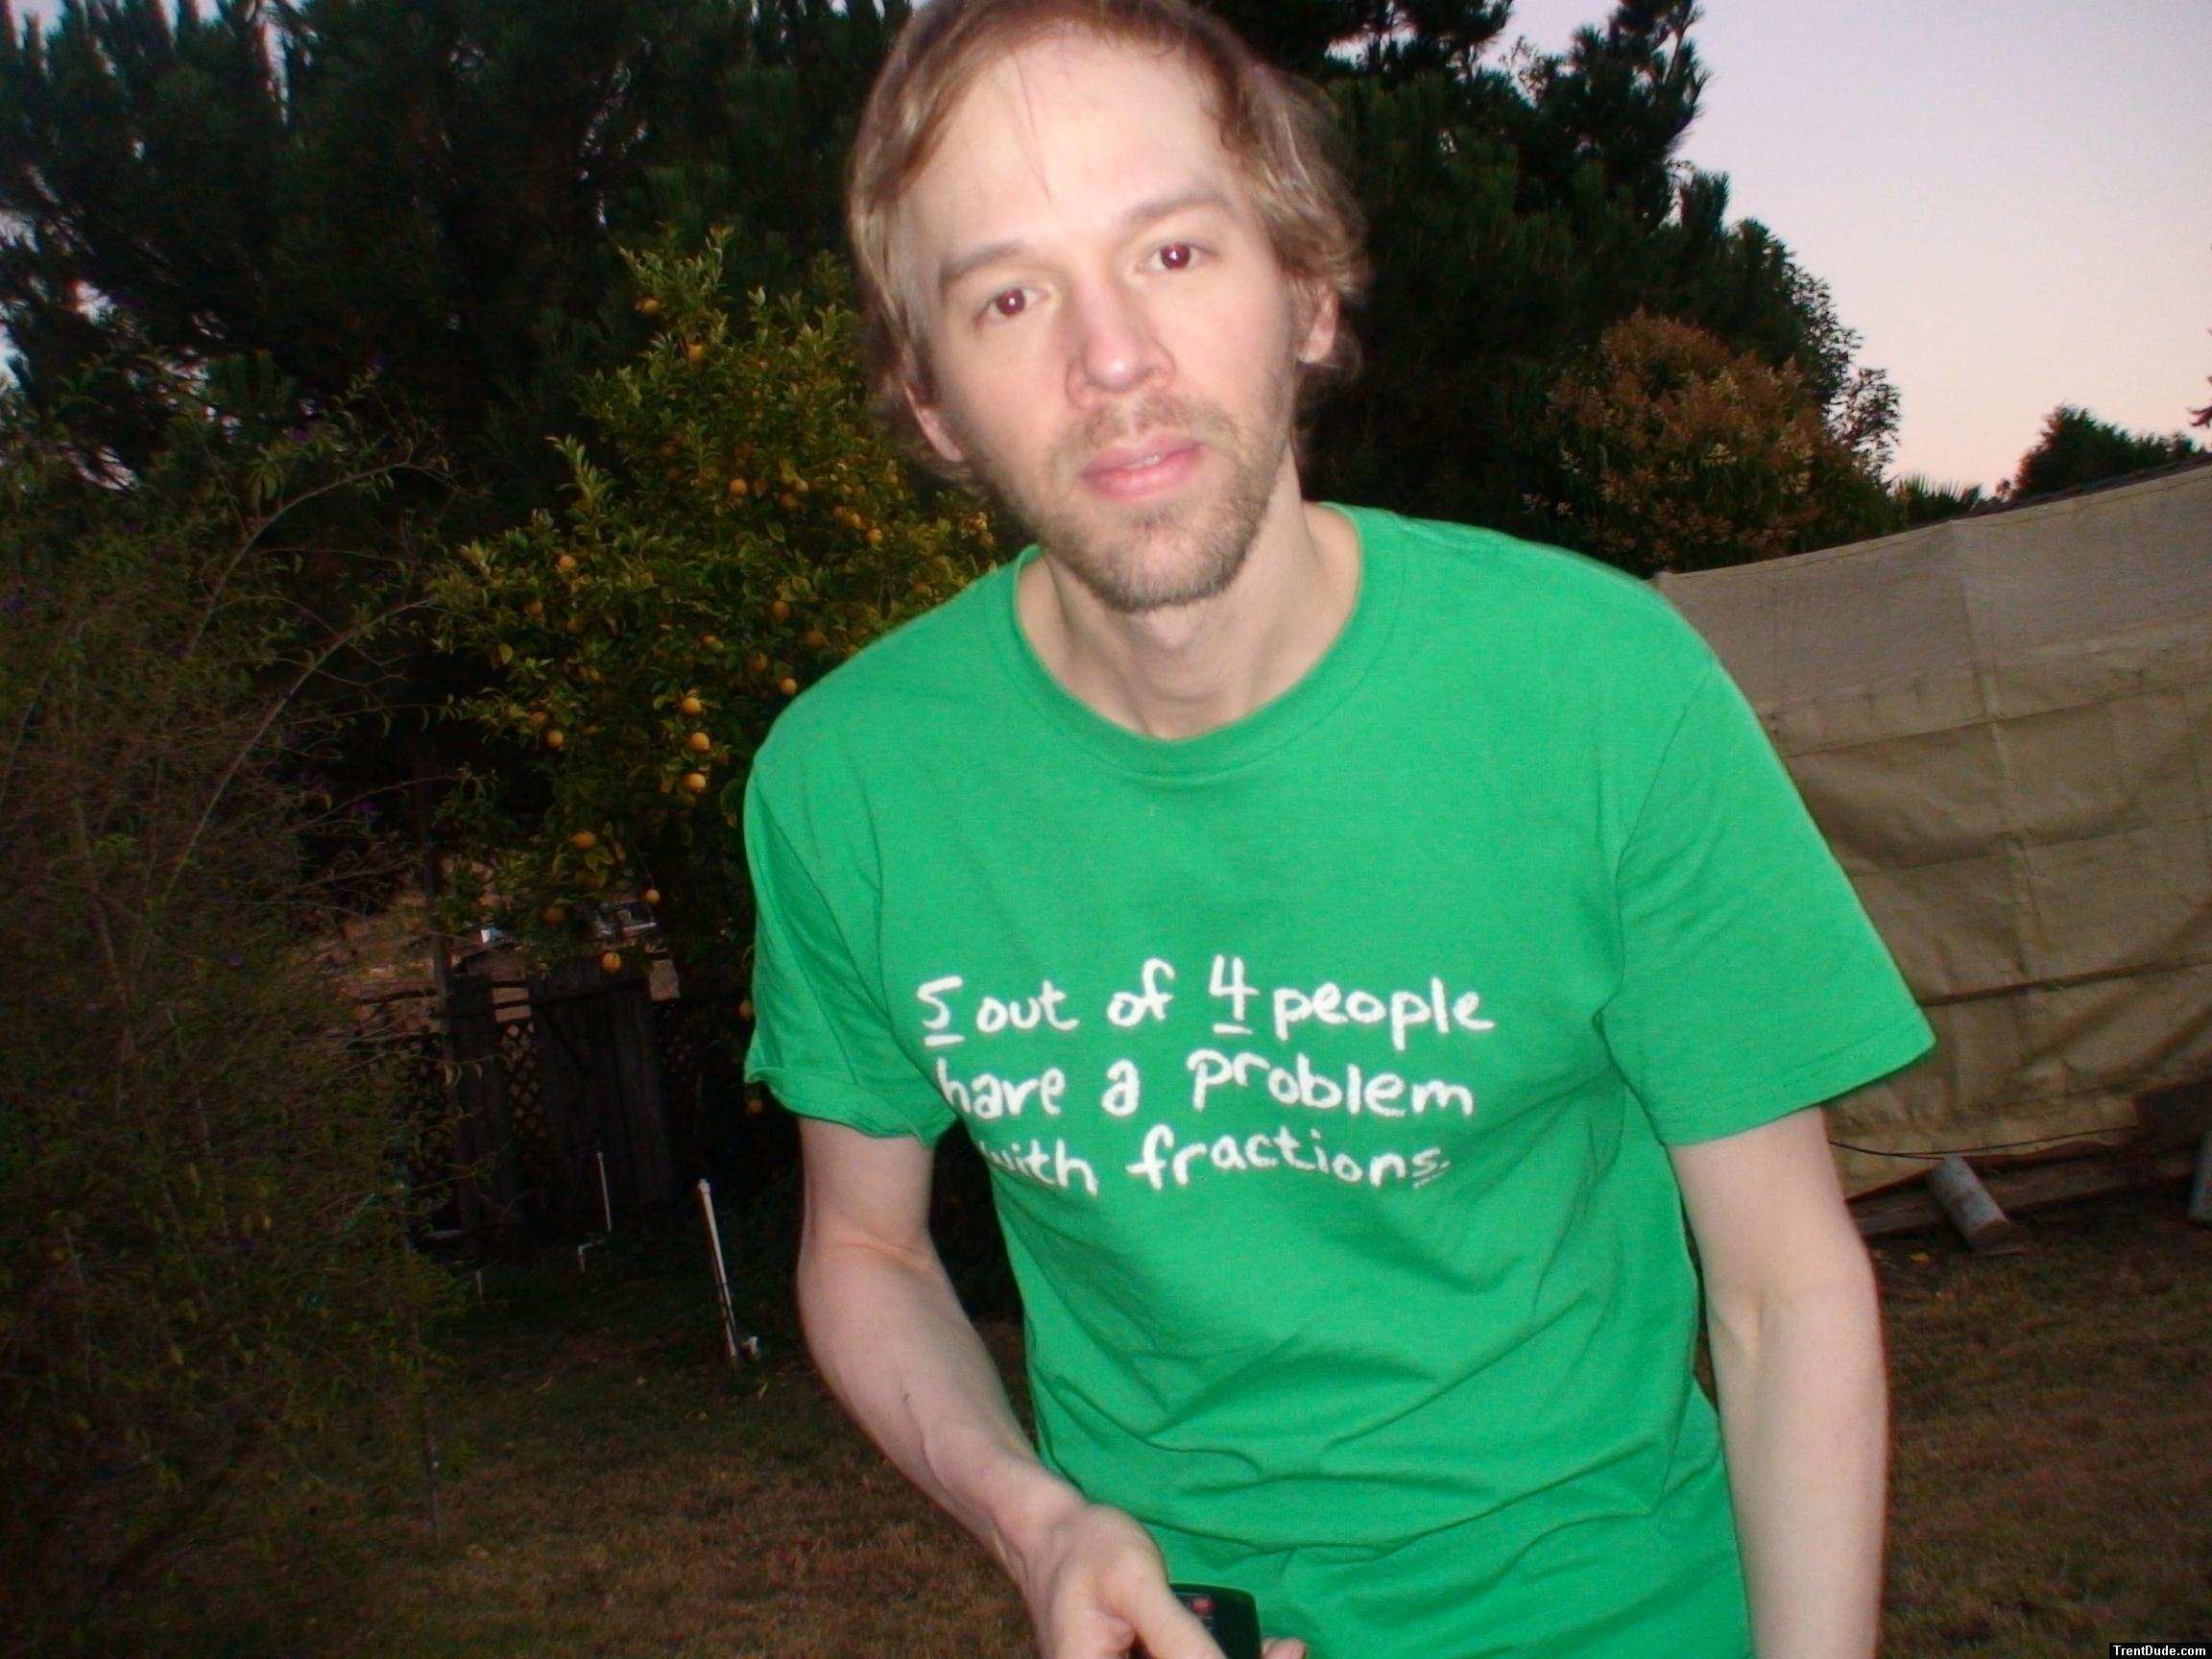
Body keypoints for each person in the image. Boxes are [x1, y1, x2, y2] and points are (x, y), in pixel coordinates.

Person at [741, 3, 1934, 1655]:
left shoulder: (1598, 694)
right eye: (1009, 296)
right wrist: (1038, 1526)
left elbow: (1785, 1292)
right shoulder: (848, 783)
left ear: (1306, 289)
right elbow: (863, 1246)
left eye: (1171, 252)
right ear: (931, 400)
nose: (1112, 359)